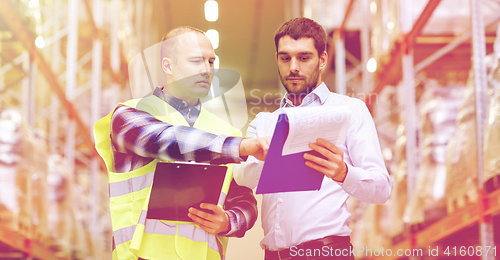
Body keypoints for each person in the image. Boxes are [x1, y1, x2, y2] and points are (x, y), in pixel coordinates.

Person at [94, 26, 270, 260]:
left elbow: (244, 200)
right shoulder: (129, 115)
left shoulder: (226, 132)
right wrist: (240, 147)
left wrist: (229, 220)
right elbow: (165, 140)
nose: (207, 70)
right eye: (196, 61)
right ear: (168, 66)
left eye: (211, 61)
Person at [233, 18, 391, 260]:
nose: (293, 67)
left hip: (326, 253)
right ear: (277, 59)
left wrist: (343, 173)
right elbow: (242, 176)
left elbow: (381, 188)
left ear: (323, 60)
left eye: (304, 58)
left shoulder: (350, 110)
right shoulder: (264, 122)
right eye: (285, 58)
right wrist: (270, 157)